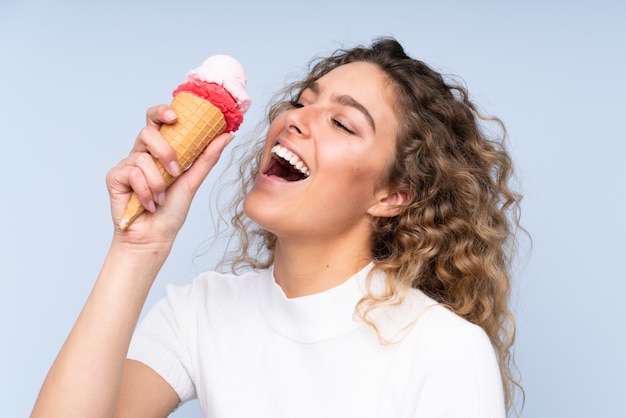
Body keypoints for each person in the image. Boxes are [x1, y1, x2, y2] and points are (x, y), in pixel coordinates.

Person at [31, 37, 522, 417]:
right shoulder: (204, 311)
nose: (297, 120)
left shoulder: (444, 350)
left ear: (391, 196)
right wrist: (136, 247)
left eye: (343, 124)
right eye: (304, 102)